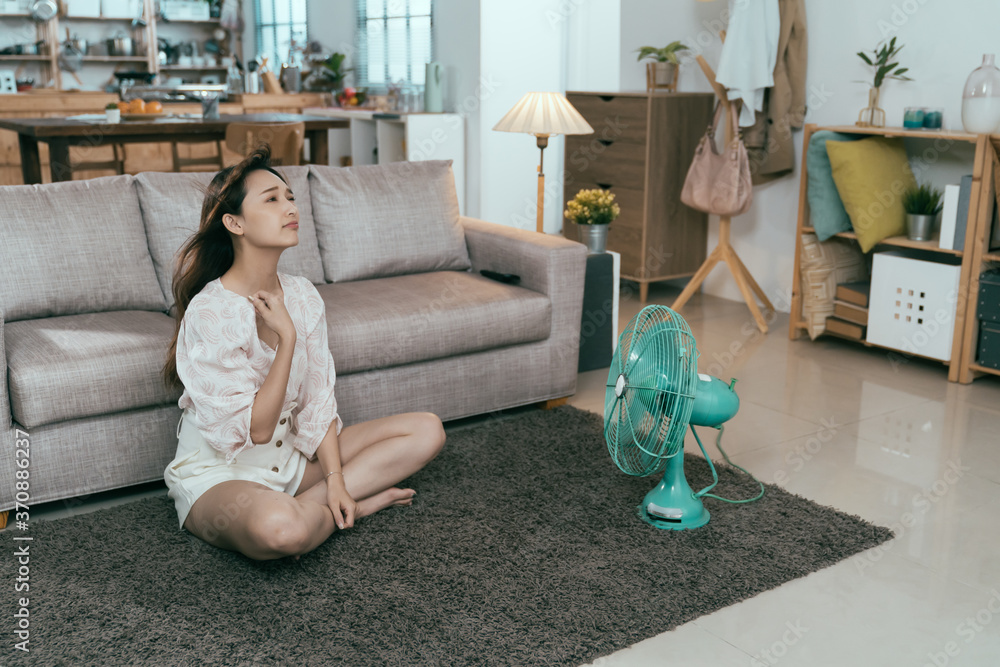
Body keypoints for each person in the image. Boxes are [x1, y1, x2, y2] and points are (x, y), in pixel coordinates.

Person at [160, 145, 445, 561]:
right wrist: (287, 340)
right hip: (222, 475)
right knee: (283, 531)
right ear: (234, 222)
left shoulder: (302, 295)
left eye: (290, 196)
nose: (290, 207)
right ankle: (354, 508)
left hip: (291, 461)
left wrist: (334, 478)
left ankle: (323, 501)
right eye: (272, 199)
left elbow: (316, 401)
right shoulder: (211, 309)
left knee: (427, 430)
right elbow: (256, 430)